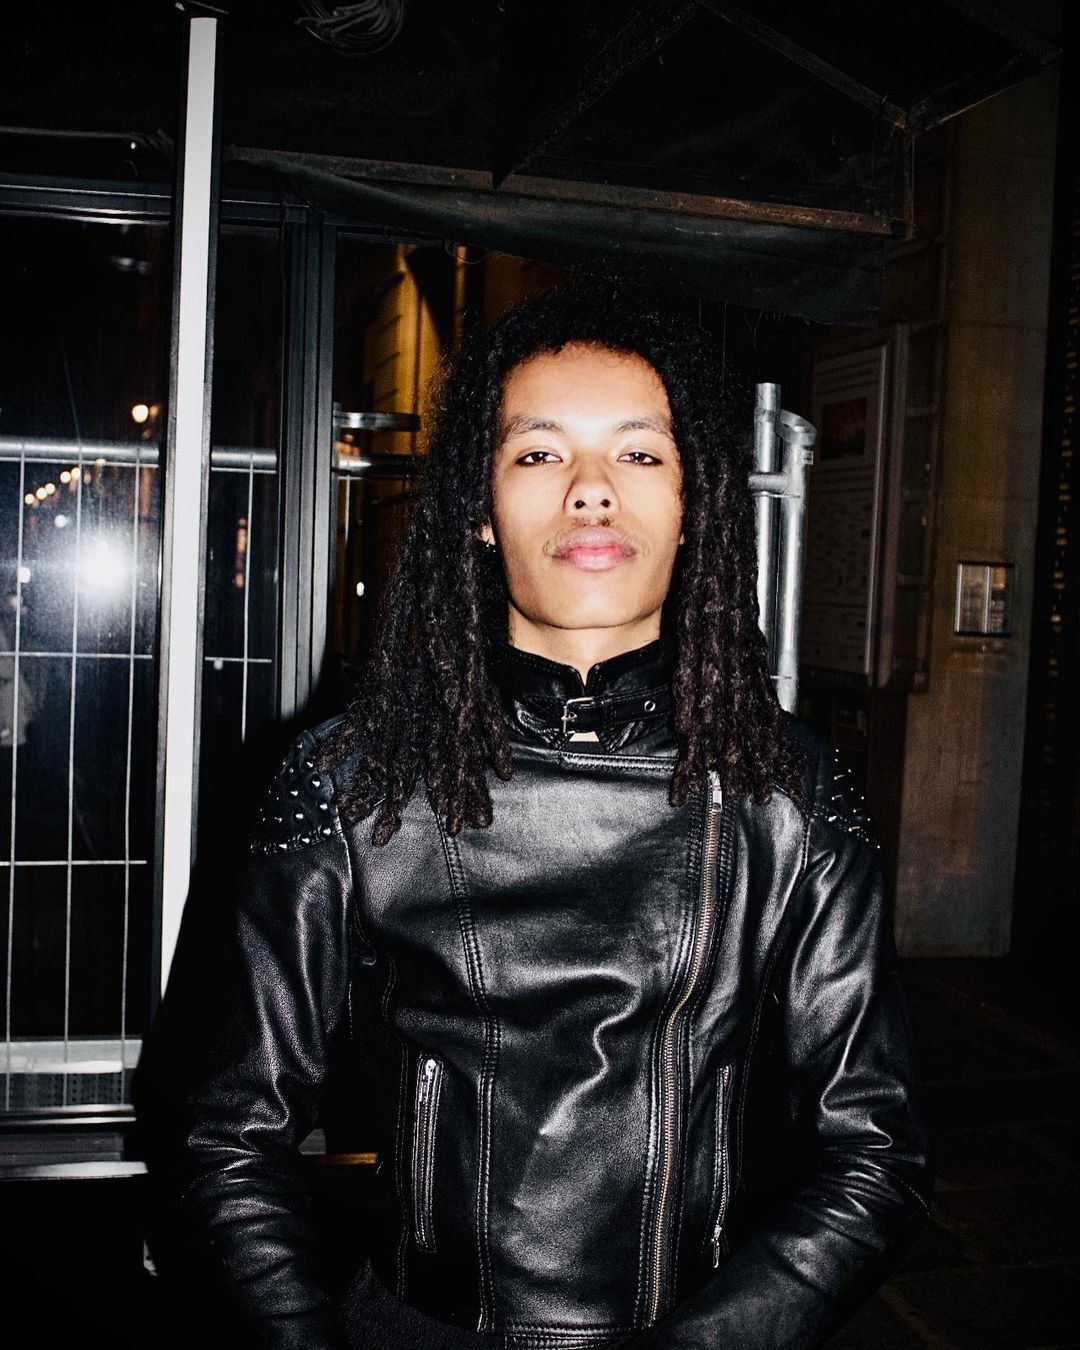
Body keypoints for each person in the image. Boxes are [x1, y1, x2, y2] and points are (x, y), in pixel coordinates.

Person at [135, 280, 932, 1350]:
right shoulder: (351, 782)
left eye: (639, 453)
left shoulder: (792, 794)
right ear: (479, 505)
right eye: (541, 453)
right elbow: (225, 1135)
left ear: (694, 503)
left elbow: (877, 1152)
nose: (592, 491)